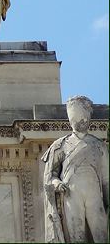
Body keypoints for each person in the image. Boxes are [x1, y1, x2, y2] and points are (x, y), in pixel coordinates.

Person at [41, 95, 109, 243]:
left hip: (95, 195)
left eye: (84, 117)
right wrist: (57, 183)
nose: (82, 121)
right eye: (77, 118)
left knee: (100, 235)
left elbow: (106, 180)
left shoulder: (99, 146)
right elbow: (50, 176)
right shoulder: (60, 145)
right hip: (71, 195)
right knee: (75, 235)